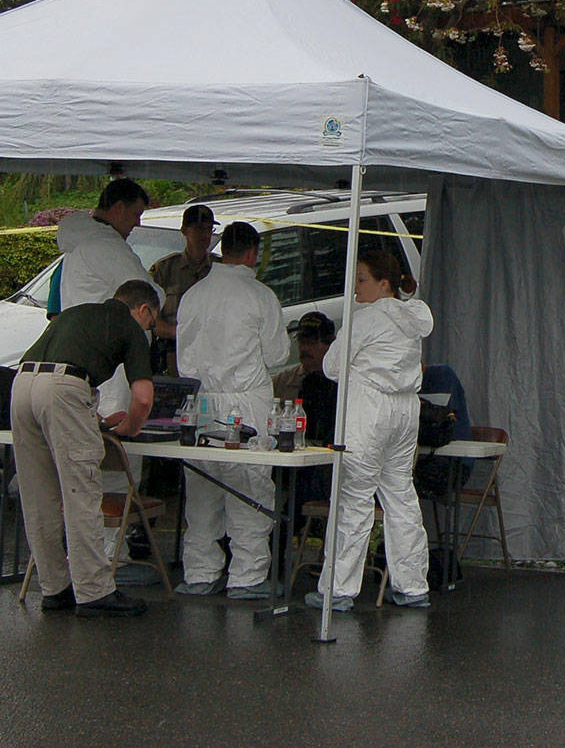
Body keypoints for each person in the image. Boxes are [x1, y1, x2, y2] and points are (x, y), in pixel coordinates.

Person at [11, 279, 159, 618]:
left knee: (39, 496)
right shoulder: (129, 326)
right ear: (143, 309)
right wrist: (129, 427)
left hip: (22, 386)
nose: (148, 330)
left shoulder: (74, 314)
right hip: (64, 390)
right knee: (81, 493)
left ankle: (54, 588)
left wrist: (95, 419)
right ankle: (94, 592)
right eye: (150, 323)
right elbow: (143, 398)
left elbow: (58, 374)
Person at [308, 250, 434, 613]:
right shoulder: (411, 319)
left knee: (354, 497)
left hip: (369, 409)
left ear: (383, 284)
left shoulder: (365, 318)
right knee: (400, 495)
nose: (356, 287)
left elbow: (332, 366)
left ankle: (339, 588)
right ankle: (412, 585)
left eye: (362, 279)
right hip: (405, 409)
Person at [173, 222, 289, 599]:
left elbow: (183, 356)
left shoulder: (194, 295)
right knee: (249, 488)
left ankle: (200, 572)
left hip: (203, 401)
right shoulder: (260, 295)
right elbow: (278, 355)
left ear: (223, 250)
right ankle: (247, 576)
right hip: (246, 401)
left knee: (202, 489)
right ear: (253, 253)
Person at [54, 178, 155, 312]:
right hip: (105, 324)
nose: (138, 223)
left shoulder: (80, 241)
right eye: (136, 215)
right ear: (119, 208)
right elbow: (147, 296)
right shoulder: (107, 245)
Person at [145, 204, 218, 377]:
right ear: (184, 230)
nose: (205, 235)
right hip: (173, 354)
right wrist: (179, 333)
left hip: (214, 354)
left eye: (209, 229)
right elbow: (149, 317)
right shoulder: (165, 269)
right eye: (198, 228)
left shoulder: (220, 268)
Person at [272, 311, 338, 446]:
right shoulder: (283, 381)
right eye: (301, 341)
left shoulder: (343, 380)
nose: (305, 348)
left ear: (329, 344)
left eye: (312, 343)